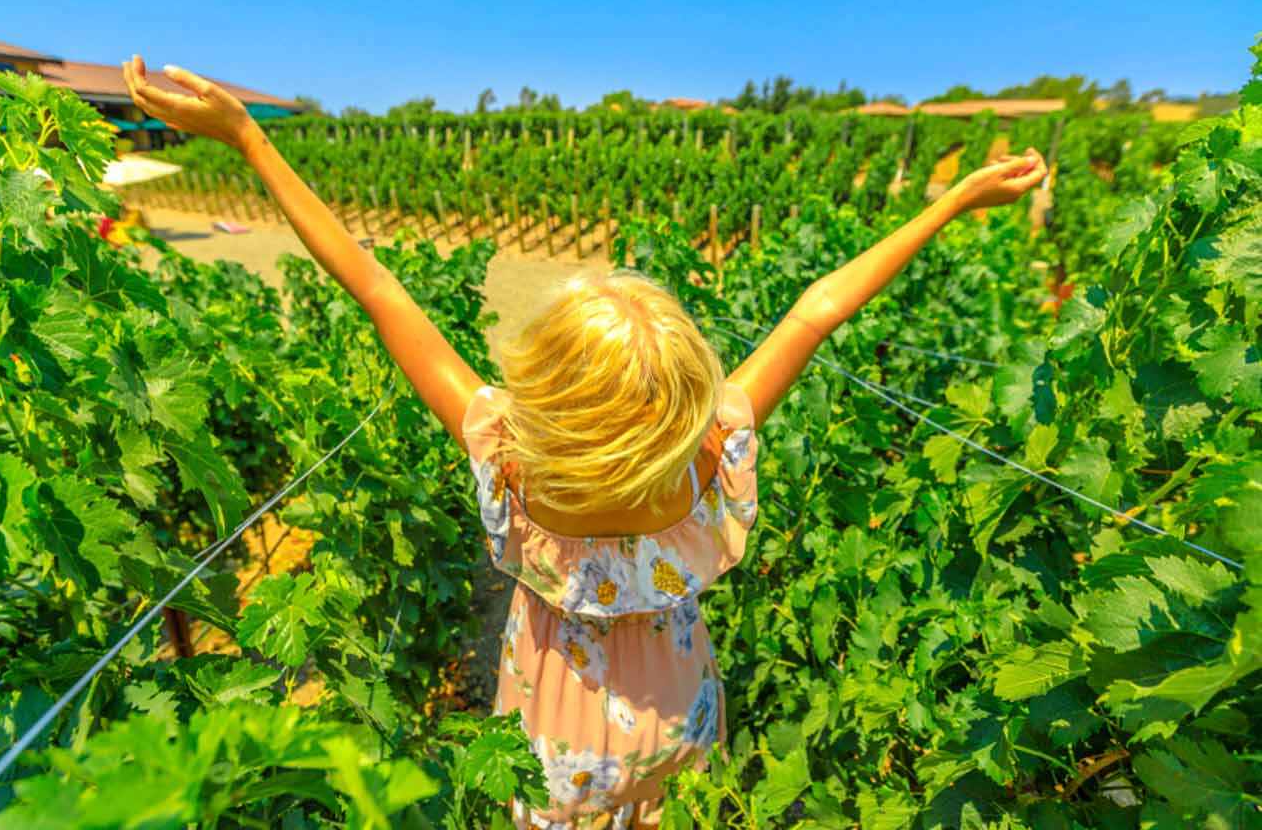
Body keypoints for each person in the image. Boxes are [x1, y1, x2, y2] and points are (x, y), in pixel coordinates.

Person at [121, 55, 1047, 828]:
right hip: (679, 725)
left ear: (551, 390)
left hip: (554, 747)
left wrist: (248, 136)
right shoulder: (711, 452)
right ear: (686, 395)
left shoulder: (510, 457)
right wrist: (950, 202)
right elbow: (822, 306)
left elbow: (377, 288)